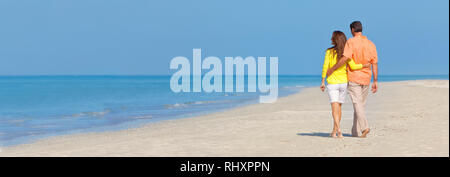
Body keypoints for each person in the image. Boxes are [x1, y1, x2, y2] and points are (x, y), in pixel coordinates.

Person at [326, 21, 378, 138]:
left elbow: (345, 58)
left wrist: (332, 69)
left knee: (357, 104)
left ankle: (364, 127)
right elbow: (374, 64)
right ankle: (355, 132)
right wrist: (375, 80)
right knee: (359, 105)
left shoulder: (351, 42)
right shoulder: (371, 44)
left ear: (352, 30)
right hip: (367, 78)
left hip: (354, 77)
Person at [321, 31, 370, 138]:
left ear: (335, 40)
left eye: (332, 37)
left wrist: (323, 81)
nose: (331, 39)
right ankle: (334, 131)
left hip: (332, 83)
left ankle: (338, 129)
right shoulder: (346, 53)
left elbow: (325, 66)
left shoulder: (329, 52)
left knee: (334, 107)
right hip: (343, 83)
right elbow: (353, 66)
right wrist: (364, 65)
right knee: (339, 107)